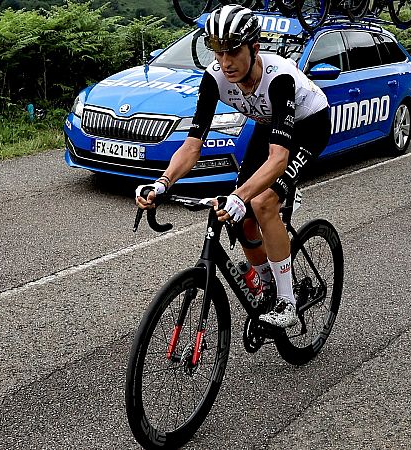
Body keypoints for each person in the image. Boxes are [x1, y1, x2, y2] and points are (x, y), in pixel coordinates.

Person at [135, 5, 331, 328]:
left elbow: (279, 158)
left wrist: (240, 196)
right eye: (218, 51)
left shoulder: (278, 79)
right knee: (240, 220)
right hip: (268, 123)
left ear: (255, 48)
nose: (225, 62)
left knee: (261, 201)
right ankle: (269, 282)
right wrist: (162, 182)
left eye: (234, 51)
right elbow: (192, 145)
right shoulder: (215, 78)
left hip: (310, 125)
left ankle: (287, 302)